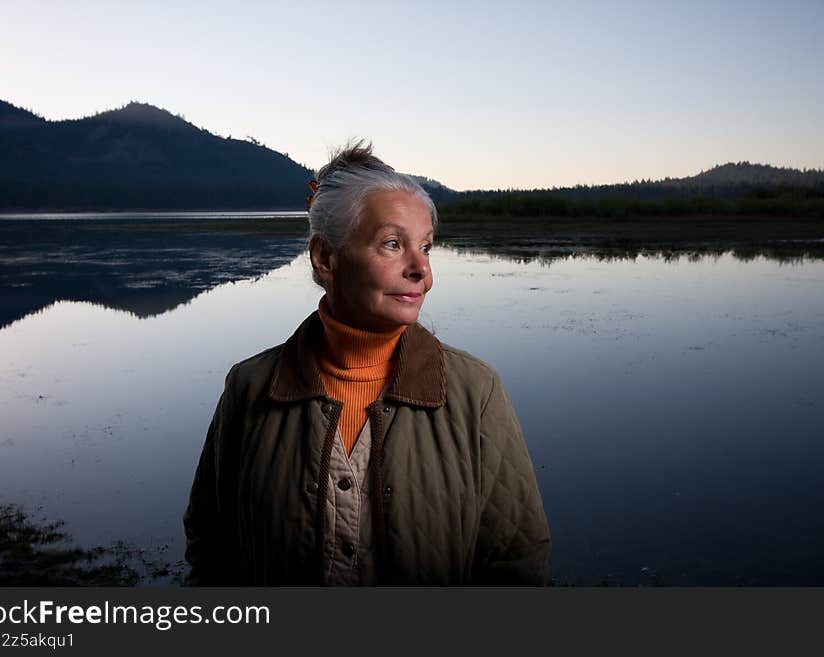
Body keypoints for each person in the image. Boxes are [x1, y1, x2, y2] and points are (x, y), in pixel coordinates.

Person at [183, 141, 551, 585]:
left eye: (427, 247)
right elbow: (212, 549)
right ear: (325, 257)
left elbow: (516, 559)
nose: (421, 270)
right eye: (393, 244)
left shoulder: (476, 391)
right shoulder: (250, 387)